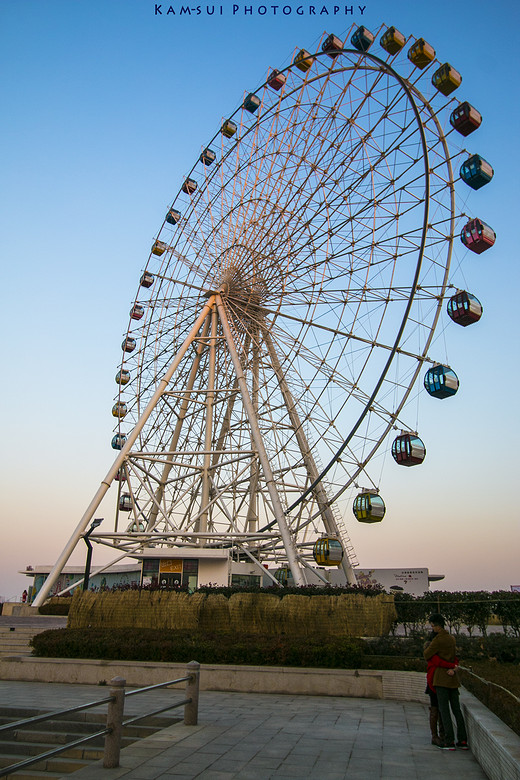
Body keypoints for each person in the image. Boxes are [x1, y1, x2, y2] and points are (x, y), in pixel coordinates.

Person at [424, 613, 468, 751]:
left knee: (444, 711)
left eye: (432, 626)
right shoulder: (451, 639)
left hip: (441, 678)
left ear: (437, 625)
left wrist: (446, 666)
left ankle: (449, 740)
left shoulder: (437, 640)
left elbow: (427, 655)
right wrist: (453, 668)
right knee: (456, 710)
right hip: (452, 678)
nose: (432, 629)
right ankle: (462, 740)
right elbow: (454, 657)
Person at [424, 630, 458, 746]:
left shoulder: (443, 651)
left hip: (442, 682)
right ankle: (435, 736)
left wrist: (453, 667)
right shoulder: (431, 652)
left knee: (442, 709)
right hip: (434, 682)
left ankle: (443, 734)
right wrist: (452, 666)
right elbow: (438, 661)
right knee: (435, 709)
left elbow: (454, 658)